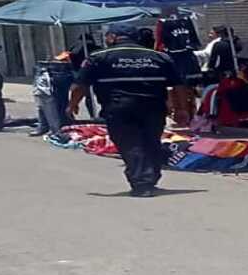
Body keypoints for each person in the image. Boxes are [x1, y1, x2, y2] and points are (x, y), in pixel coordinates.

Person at [70, 23, 181, 197]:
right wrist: (181, 109)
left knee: (130, 144)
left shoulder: (99, 57)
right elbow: (179, 86)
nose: (106, 39)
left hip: (119, 108)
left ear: (113, 37)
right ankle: (150, 178)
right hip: (154, 108)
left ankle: (142, 183)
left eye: (107, 36)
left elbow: (81, 85)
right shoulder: (159, 57)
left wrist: (73, 104)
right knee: (151, 142)